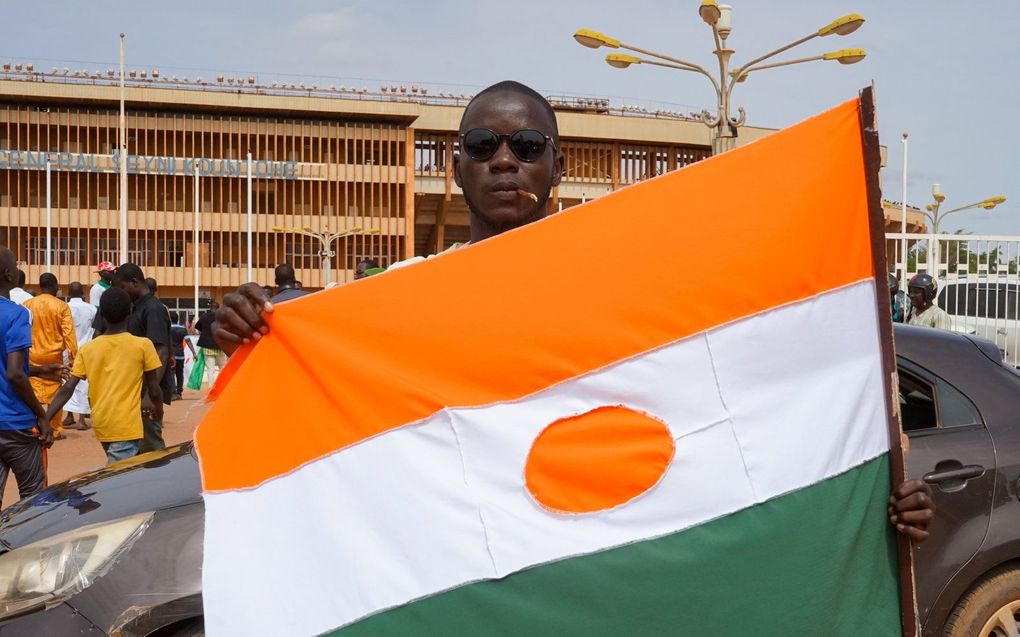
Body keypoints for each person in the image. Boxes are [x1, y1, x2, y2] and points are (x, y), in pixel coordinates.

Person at [212, 80, 936, 543]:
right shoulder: (393, 301)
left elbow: (738, 411)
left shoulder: (628, 302)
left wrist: (865, 492)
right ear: (454, 166)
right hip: (468, 574)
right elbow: (330, 433)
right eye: (482, 145)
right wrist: (247, 331)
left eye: (526, 146)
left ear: (554, 169)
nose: (504, 159)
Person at [44, 287, 163, 465]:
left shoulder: (88, 349)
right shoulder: (143, 345)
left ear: (102, 315)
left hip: (102, 423)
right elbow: (154, 389)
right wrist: (159, 411)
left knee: (127, 470)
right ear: (130, 311)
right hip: (127, 425)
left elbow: (68, 387)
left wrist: (47, 418)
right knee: (119, 478)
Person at [0, 248, 55, 506]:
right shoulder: (16, 314)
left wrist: (39, 370)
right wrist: (42, 415)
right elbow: (13, 373)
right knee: (34, 501)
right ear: (9, 274)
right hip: (17, 423)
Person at [113, 263, 173, 452]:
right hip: (136, 389)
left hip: (147, 391)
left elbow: (161, 352)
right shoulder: (136, 307)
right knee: (138, 446)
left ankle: (160, 481)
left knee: (151, 447)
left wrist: (150, 395)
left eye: (123, 288)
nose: (122, 293)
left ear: (134, 282)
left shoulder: (153, 308)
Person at [24, 273, 78, 441]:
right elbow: (69, 335)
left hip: (32, 358)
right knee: (55, 394)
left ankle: (31, 426)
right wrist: (73, 359)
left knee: (31, 392)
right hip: (53, 359)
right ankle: (53, 430)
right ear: (54, 286)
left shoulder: (27, 305)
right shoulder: (62, 306)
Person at [63, 282, 97, 430]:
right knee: (83, 382)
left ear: (69, 294)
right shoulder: (91, 309)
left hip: (68, 350)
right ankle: (82, 420)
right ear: (83, 293)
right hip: (86, 348)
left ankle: (69, 416)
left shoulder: (65, 307)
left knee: (67, 380)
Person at [195, 302, 227, 385]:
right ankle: (222, 387)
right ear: (218, 308)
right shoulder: (222, 317)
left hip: (207, 345)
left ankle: (211, 389)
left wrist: (205, 332)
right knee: (223, 368)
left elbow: (197, 327)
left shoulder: (204, 316)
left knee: (210, 369)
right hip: (221, 345)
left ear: (210, 308)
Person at [169, 311, 197, 399]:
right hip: (180, 354)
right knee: (179, 374)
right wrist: (194, 352)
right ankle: (179, 393)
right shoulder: (182, 329)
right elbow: (188, 341)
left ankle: (173, 393)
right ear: (177, 319)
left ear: (170, 319)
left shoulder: (167, 329)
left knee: (171, 374)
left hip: (170, 355)